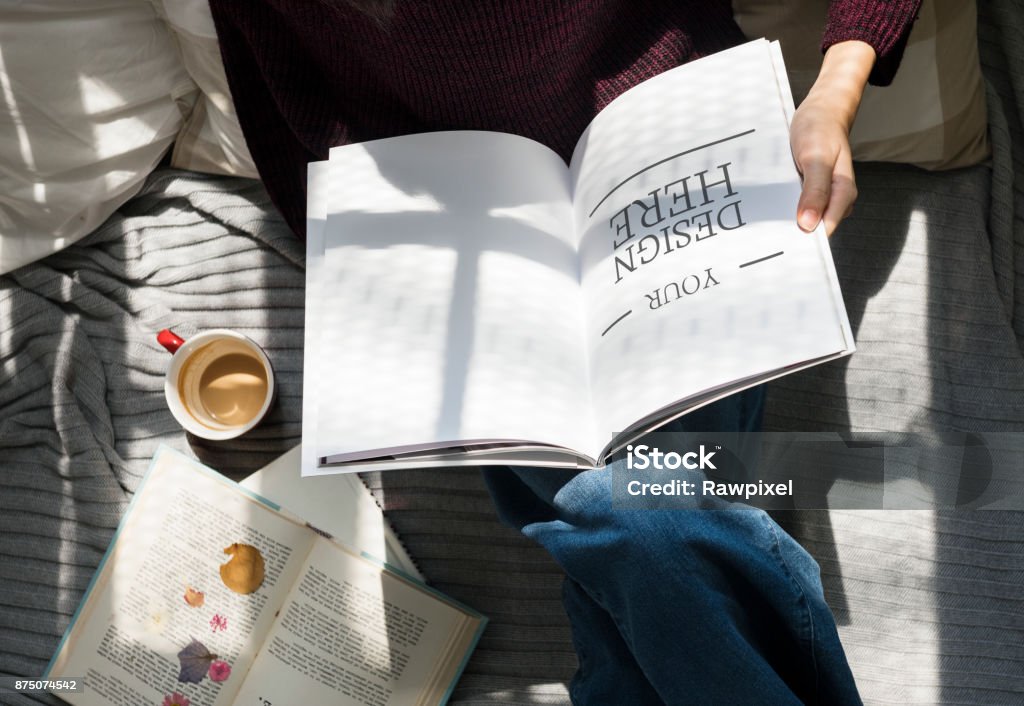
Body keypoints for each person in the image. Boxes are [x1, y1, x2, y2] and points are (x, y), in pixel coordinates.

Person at [206, 1, 921, 702]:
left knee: (627, 514)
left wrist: (833, 92)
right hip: (456, 219)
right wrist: (359, 262)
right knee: (636, 516)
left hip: (670, 156)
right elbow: (281, 103)